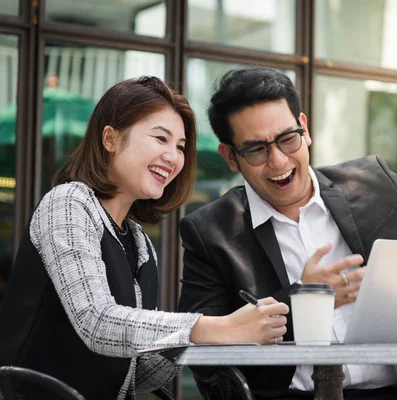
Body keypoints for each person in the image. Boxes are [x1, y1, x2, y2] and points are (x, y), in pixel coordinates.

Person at [178, 46, 397, 400]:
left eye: (287, 139)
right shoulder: (210, 232)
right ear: (231, 156)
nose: (278, 161)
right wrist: (302, 301)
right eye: (256, 149)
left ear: (304, 129)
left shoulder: (373, 186)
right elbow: (207, 361)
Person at [0, 76, 289, 400]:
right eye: (160, 138)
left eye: (180, 147)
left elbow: (136, 372)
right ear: (110, 138)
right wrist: (214, 328)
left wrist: (218, 330)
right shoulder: (68, 203)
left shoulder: (139, 244)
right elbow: (96, 322)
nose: (173, 156)